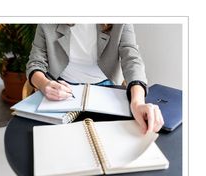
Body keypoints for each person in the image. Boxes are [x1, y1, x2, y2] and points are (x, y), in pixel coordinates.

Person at [26, 24, 164, 134]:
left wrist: (138, 102)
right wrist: (44, 84)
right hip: (62, 89)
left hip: (107, 88)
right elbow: (35, 62)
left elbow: (132, 59)